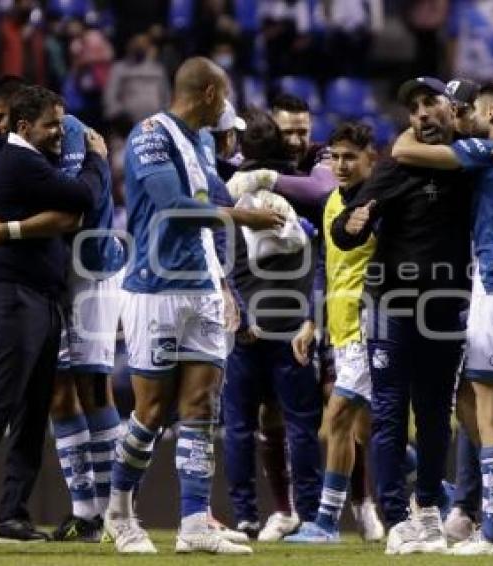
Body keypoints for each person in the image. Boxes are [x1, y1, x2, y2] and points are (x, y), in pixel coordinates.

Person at [330, 77, 493, 555]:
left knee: (433, 416)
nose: (422, 113)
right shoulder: (395, 167)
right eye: (414, 108)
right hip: (391, 305)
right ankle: (396, 519)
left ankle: (427, 509)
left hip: (448, 306)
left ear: (454, 109)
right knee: (388, 412)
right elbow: (345, 230)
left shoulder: (471, 162)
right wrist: (353, 223)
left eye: (431, 103)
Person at [103, 57, 282, 555]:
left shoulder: (204, 143)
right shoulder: (149, 136)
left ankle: (193, 525)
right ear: (208, 94)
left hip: (202, 288)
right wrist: (239, 213)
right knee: (151, 411)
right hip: (155, 288)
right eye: (223, 96)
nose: (226, 107)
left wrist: (267, 203)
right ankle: (119, 511)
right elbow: (174, 208)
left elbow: (217, 197)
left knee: (201, 408)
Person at [0, 75, 126, 542]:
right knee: (8, 400)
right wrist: (96, 160)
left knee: (43, 406)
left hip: (67, 284)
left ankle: (15, 515)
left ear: (19, 117)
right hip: (16, 294)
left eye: (0, 119)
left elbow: (55, 214)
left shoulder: (49, 148)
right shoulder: (16, 159)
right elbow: (60, 207)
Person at [391, 80, 493, 555]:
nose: (467, 115)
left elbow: (404, 150)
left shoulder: (490, 150)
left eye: (476, 109)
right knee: (485, 410)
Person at [221, 108, 324, 543]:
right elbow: (317, 260)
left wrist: (237, 308)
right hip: (293, 324)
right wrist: (312, 318)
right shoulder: (306, 192)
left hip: (246, 325)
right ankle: (311, 515)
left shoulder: (225, 192)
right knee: (301, 424)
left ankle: (245, 515)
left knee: (239, 425)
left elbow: (222, 258)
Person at [283, 122, 383, 543]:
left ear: (370, 159)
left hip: (370, 323)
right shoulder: (330, 205)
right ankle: (439, 488)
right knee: (367, 429)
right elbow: (325, 266)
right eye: (335, 157)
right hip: (339, 329)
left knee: (338, 417)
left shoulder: (380, 204)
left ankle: (326, 522)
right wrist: (312, 320)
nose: (340, 165)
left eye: (350, 157)